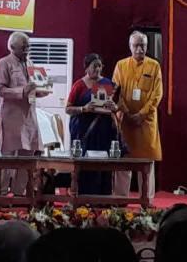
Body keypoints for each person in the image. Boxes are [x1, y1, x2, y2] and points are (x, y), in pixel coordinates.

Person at [112, 31, 163, 198]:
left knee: (146, 162)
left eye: (143, 45)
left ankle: (146, 200)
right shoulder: (121, 65)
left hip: (146, 122)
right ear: (130, 46)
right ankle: (120, 199)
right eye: (136, 45)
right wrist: (126, 113)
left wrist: (141, 114)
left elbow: (157, 94)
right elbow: (115, 92)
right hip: (125, 121)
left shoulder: (154, 66)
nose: (140, 49)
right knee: (123, 160)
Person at [65, 53, 121, 194]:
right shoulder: (79, 85)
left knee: (103, 164)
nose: (98, 69)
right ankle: (84, 197)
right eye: (94, 66)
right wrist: (83, 109)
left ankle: (103, 198)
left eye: (100, 66)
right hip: (84, 132)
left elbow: (113, 107)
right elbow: (68, 109)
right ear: (86, 68)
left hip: (103, 131)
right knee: (85, 164)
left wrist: (114, 107)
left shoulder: (107, 83)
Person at [0, 31, 44, 196]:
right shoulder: (4, 63)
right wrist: (22, 91)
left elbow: (34, 88)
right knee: (8, 155)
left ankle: (19, 193)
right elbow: (1, 90)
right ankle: (2, 193)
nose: (27, 50)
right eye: (24, 47)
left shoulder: (30, 63)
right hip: (12, 116)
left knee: (27, 154)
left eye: (28, 47)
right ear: (12, 47)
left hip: (29, 114)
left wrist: (42, 90)